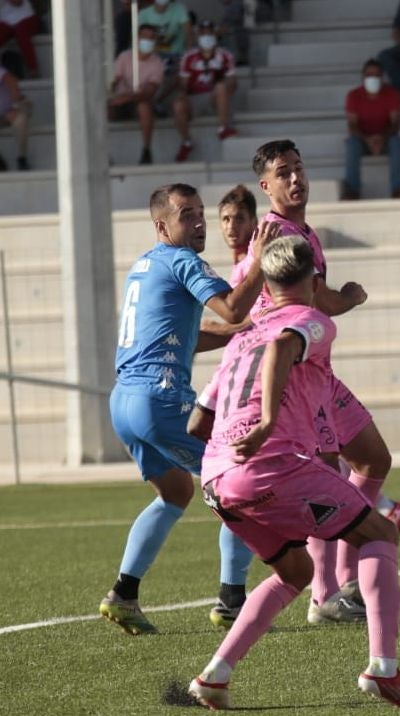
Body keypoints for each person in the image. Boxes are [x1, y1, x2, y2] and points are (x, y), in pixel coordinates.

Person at [185, 236, 400, 710]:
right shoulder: (310, 320)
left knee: (295, 570)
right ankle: (384, 668)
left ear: (268, 286)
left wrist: (236, 454)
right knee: (379, 533)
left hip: (216, 478)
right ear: (315, 282)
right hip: (269, 463)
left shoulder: (242, 338)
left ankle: (215, 676)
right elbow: (283, 348)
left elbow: (198, 423)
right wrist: (270, 426)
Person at [99, 183, 276, 636]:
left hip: (124, 402)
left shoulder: (144, 266)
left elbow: (192, 336)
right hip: (160, 399)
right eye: (186, 215)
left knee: (176, 493)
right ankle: (232, 601)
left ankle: (124, 593)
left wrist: (246, 328)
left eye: (200, 212)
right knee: (239, 478)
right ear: (163, 226)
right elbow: (231, 304)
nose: (198, 222)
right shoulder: (182, 261)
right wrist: (260, 260)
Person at [250, 140, 400, 621]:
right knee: (324, 477)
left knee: (371, 459)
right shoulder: (276, 236)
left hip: (318, 371)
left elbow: (317, 298)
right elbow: (307, 303)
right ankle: (327, 594)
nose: (296, 178)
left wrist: (344, 297)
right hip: (296, 375)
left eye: (299, 168)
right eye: (284, 173)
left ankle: (342, 584)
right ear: (267, 186)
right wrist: (348, 297)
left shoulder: (303, 231)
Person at [173, 20, 239, 163]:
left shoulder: (225, 55)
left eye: (209, 33)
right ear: (198, 36)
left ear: (215, 35)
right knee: (178, 104)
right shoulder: (188, 57)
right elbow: (183, 84)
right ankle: (186, 142)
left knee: (221, 86)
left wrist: (225, 87)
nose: (206, 36)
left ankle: (223, 128)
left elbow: (232, 81)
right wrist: (182, 96)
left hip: (214, 97)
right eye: (203, 33)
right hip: (194, 98)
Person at [342, 59, 400, 200]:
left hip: (386, 138)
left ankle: (397, 189)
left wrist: (381, 139)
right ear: (363, 77)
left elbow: (396, 124)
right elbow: (352, 126)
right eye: (369, 75)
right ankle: (352, 190)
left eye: (376, 75)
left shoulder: (392, 94)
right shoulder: (354, 95)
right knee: (351, 144)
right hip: (362, 140)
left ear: (382, 77)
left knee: (397, 143)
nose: (373, 78)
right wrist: (368, 140)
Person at [108, 24, 165, 165]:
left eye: (151, 38)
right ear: (137, 38)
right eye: (144, 37)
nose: (148, 41)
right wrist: (112, 94)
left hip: (138, 102)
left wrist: (127, 97)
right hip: (120, 101)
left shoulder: (157, 63)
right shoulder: (125, 57)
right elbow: (113, 81)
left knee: (144, 106)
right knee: (104, 107)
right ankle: (105, 151)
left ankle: (146, 150)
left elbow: (149, 92)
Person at [0, 63, 30, 170]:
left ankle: (22, 158)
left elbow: (12, 82)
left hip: (10, 110)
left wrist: (15, 106)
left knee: (21, 120)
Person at [0, 0, 40, 78]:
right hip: (5, 22)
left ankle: (33, 71)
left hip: (26, 18)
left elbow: (18, 2)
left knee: (21, 32)